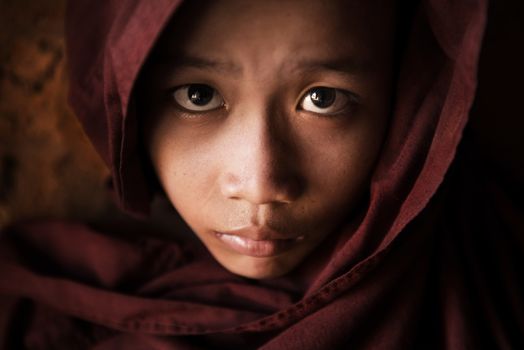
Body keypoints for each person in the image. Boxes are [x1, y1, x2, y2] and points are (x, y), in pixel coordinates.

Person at [0, 0, 522, 348]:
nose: (260, 182)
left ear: (406, 98)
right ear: (127, 98)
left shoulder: (497, 273)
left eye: (323, 99)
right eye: (198, 95)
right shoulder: (34, 307)